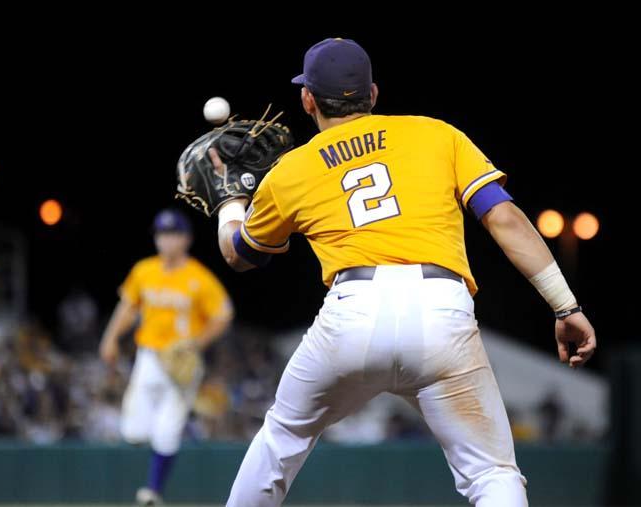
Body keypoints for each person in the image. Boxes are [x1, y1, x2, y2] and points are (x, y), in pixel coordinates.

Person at [211, 38, 597, 507]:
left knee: (281, 438)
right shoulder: (435, 134)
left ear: (307, 99)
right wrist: (565, 305)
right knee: (491, 472)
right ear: (372, 94)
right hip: (441, 312)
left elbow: (241, 255)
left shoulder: (292, 170)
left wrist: (230, 201)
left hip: (351, 316)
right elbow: (505, 219)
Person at [99, 209, 233, 506]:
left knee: (167, 431)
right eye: (161, 235)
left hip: (182, 363)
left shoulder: (199, 277)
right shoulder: (144, 270)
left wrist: (196, 344)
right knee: (134, 432)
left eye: (172, 235)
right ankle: (181, 422)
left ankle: (153, 491)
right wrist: (110, 338)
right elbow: (128, 308)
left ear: (185, 239)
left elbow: (223, 315)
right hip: (149, 357)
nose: (166, 241)